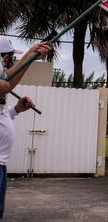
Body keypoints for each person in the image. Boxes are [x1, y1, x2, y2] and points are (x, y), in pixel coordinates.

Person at [0, 36, 51, 219]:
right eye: (6, 58)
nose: (7, 63)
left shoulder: (2, 73)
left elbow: (8, 82)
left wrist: (16, 109)